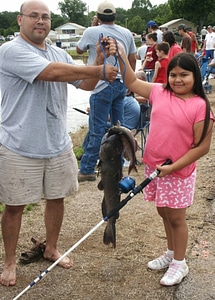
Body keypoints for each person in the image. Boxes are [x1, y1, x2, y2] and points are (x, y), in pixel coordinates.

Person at [0, 0, 118, 287]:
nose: (40, 21)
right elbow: (50, 73)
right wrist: (99, 71)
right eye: (34, 16)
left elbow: (85, 84)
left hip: (57, 143)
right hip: (18, 144)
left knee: (57, 198)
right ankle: (9, 261)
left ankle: (51, 247)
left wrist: (99, 60)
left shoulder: (59, 52)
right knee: (14, 206)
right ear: (20, 20)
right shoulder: (10, 50)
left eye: (46, 17)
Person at [112, 42, 214, 286]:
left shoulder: (200, 106)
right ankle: (170, 253)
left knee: (177, 218)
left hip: (177, 172)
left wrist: (174, 167)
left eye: (184, 75)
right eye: (173, 75)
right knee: (163, 211)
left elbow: (202, 147)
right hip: (155, 168)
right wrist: (120, 55)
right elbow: (132, 83)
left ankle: (180, 263)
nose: (177, 80)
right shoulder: (159, 91)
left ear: (195, 76)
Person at [76, 1, 136, 182]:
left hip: (101, 85)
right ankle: (116, 165)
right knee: (119, 127)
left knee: (97, 128)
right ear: (115, 16)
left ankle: (87, 168)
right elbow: (132, 59)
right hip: (120, 84)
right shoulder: (126, 33)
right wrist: (128, 82)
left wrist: (93, 27)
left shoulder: (91, 31)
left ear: (98, 16)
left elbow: (79, 51)